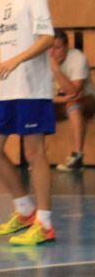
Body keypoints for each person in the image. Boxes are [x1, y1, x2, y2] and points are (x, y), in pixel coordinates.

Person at [0, 0, 57, 246]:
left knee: (33, 153)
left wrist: (16, 61)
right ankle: (25, 210)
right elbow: (6, 49)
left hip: (32, 87)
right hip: (7, 89)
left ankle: (45, 223)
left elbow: (47, 38)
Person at [50, 29, 94, 171]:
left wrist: (56, 69)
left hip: (85, 100)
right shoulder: (41, 60)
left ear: (66, 47)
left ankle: (77, 157)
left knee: (73, 104)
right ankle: (38, 157)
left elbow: (74, 92)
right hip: (56, 101)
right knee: (34, 106)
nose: (52, 53)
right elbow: (39, 96)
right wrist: (59, 99)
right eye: (49, 48)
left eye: (57, 48)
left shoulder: (77, 58)